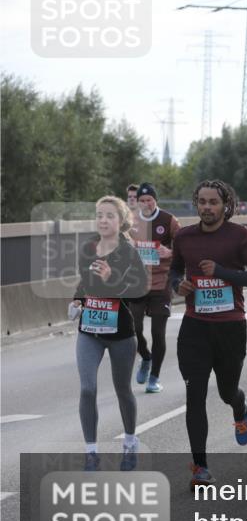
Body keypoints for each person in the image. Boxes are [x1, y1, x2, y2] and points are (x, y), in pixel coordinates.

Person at [170, 181, 247, 488]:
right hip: (194, 326)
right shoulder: (184, 237)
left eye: (213, 202)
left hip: (230, 327)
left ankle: (239, 407)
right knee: (194, 395)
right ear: (196, 204)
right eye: (201, 202)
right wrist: (177, 286)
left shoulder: (240, 235)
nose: (207, 207)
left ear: (226, 205)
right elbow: (174, 271)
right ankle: (200, 467)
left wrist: (222, 272)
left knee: (226, 392)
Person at [72, 196, 148, 471]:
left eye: (109, 216)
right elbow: (84, 283)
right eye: (99, 215)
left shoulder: (128, 252)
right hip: (89, 330)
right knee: (87, 388)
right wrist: (77, 300)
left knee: (122, 389)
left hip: (121, 332)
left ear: (121, 220)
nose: (103, 220)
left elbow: (140, 291)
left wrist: (111, 279)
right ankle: (91, 452)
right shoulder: (88, 248)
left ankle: (130, 441)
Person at [127, 182, 180, 394]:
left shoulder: (168, 220)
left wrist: (171, 253)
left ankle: (155, 377)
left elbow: (185, 245)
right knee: (133, 328)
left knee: (158, 332)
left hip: (161, 282)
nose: (146, 204)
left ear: (155, 200)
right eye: (142, 201)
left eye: (149, 200)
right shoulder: (130, 221)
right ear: (137, 202)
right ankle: (146, 358)